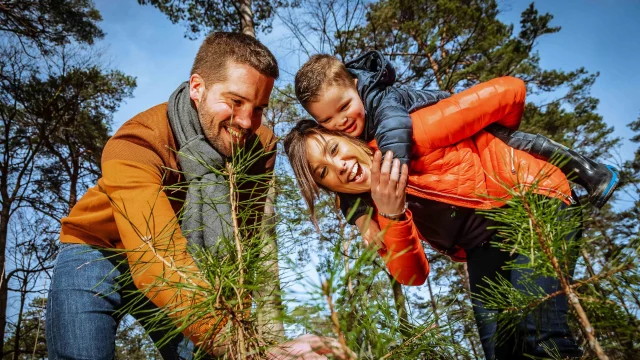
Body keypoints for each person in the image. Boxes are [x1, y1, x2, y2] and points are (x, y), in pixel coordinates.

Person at [46, 32, 348, 360]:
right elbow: (155, 261)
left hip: (184, 265)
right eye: (235, 101)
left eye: (259, 107)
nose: (247, 121)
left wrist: (245, 332)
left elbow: (240, 241)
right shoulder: (136, 143)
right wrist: (248, 352)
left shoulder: (259, 147)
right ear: (197, 88)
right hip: (98, 252)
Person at [283, 77, 585, 358]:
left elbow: (511, 91)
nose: (339, 167)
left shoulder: (410, 131)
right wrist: (392, 213)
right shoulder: (373, 209)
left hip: (532, 201)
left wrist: (500, 140)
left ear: (349, 138)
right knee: (500, 351)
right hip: (484, 245)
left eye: (334, 149)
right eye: (323, 172)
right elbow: (413, 275)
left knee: (541, 335)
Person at [294, 51, 619, 248]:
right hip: (454, 159)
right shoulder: (350, 135)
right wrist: (363, 221)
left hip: (465, 129)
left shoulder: (380, 99)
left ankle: (592, 172)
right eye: (328, 119)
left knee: (518, 145)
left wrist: (392, 169)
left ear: (355, 85)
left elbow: (395, 126)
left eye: (345, 107)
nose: (342, 120)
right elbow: (348, 193)